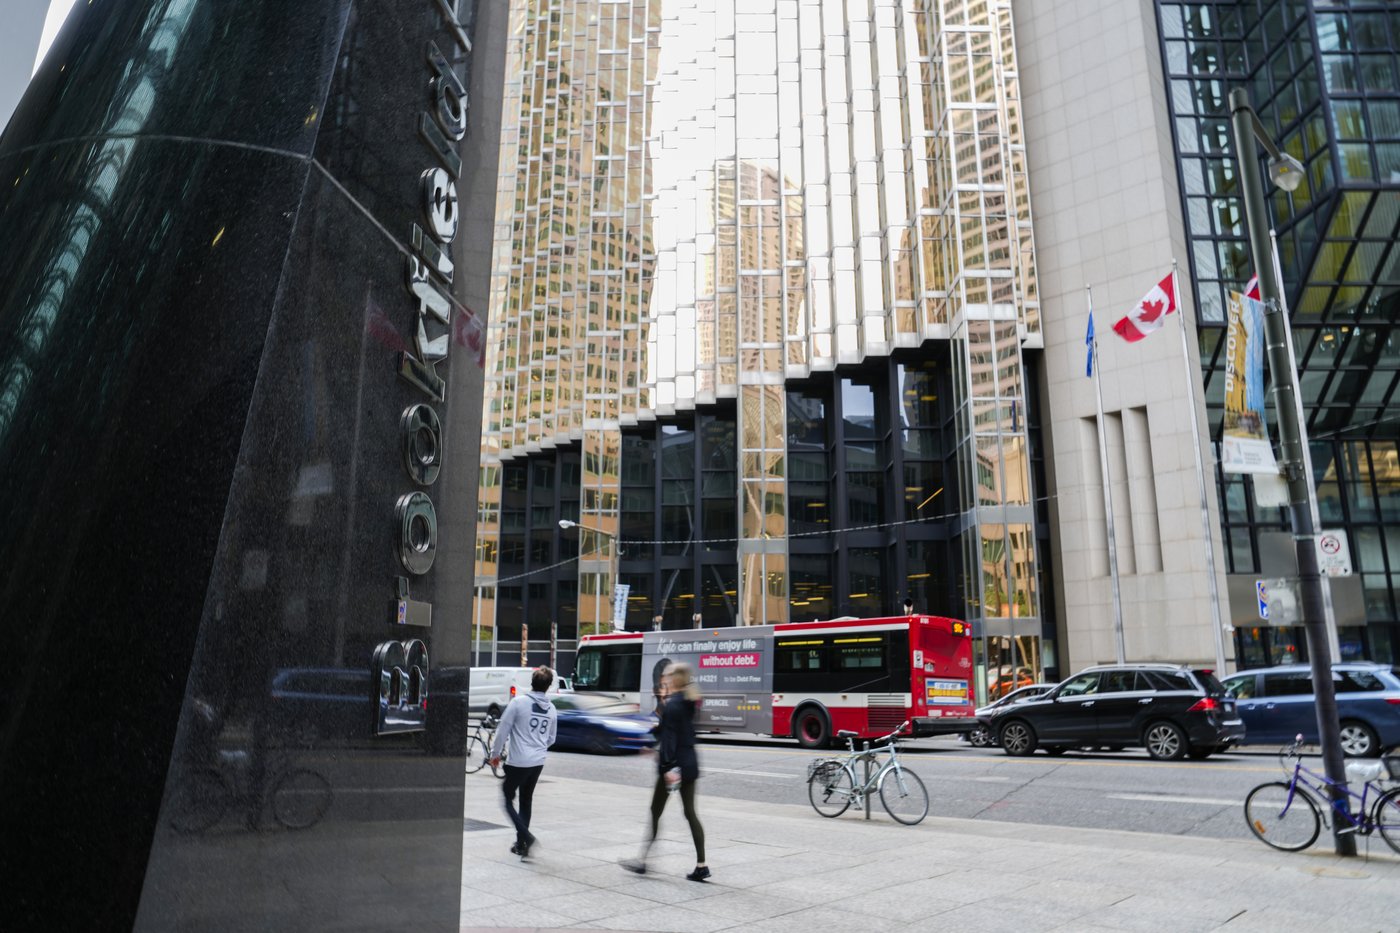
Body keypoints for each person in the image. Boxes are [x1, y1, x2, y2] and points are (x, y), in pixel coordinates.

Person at [621, 662, 709, 882]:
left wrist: (668, 767)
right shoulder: (689, 701)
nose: (666, 678)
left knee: (655, 811)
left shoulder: (672, 705)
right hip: (690, 764)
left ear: (676, 678)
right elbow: (670, 729)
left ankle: (642, 862)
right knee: (690, 813)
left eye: (669, 675)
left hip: (674, 767)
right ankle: (702, 865)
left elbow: (669, 739)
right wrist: (653, 738)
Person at [489, 666, 558, 859]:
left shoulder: (518, 703)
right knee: (526, 801)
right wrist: (538, 746)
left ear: (532, 682)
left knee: (507, 798)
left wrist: (495, 754)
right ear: (548, 686)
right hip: (538, 762)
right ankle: (521, 845)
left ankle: (527, 838)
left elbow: (503, 729)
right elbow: (551, 738)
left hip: (519, 761)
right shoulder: (551, 709)